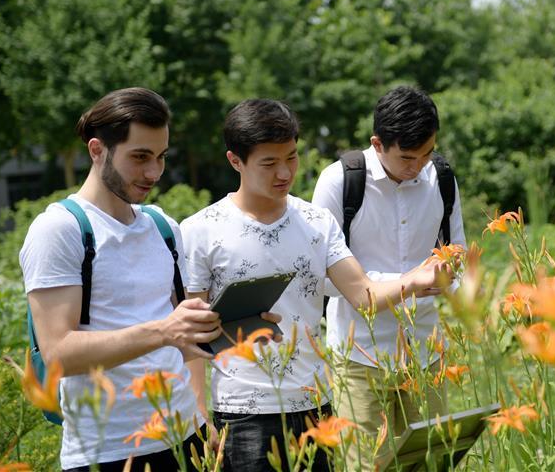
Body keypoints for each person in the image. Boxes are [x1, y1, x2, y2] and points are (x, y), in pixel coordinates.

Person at [181, 99, 451, 472]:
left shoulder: (316, 222)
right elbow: (190, 335)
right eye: (269, 163)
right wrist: (199, 414)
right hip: (243, 411)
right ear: (235, 161)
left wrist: (414, 281)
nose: (284, 172)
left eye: (291, 158)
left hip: (315, 406)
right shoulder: (200, 230)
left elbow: (364, 296)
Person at [20, 88, 222, 472]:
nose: (154, 172)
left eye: (161, 157)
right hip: (109, 450)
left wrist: (240, 327)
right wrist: (164, 331)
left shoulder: (163, 227)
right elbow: (59, 353)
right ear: (98, 150)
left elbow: (185, 338)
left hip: (184, 436)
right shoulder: (60, 229)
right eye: (140, 157)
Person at [312, 85, 466, 469]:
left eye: (427, 154)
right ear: (377, 144)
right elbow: (322, 278)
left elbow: (457, 247)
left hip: (426, 351)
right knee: (366, 465)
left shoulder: (441, 177)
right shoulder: (339, 181)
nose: (418, 167)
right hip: (360, 354)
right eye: (407, 157)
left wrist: (449, 273)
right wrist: (406, 282)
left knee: (430, 462)